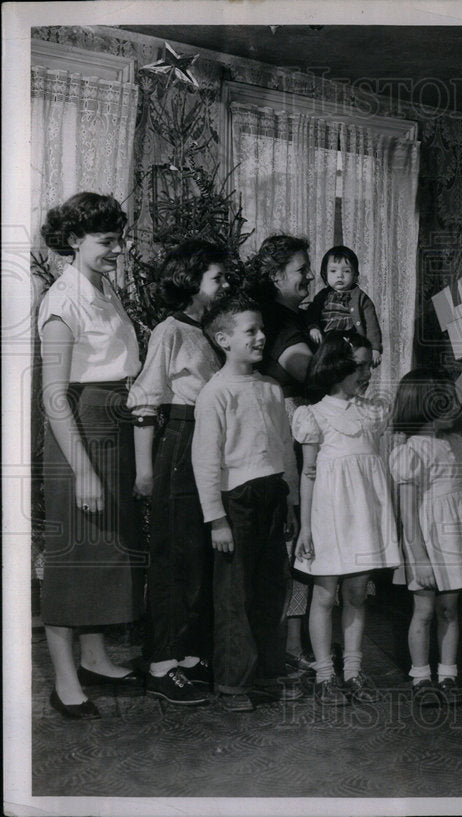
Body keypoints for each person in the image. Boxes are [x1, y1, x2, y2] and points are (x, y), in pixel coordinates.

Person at [37, 192, 144, 719]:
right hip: (78, 433)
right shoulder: (62, 301)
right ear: (74, 241)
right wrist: (82, 472)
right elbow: (54, 396)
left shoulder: (103, 289)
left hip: (113, 428)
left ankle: (96, 657)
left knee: (107, 550)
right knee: (75, 555)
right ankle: (63, 679)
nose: (118, 250)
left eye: (119, 239)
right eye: (107, 241)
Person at [128, 240, 230, 705]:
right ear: (191, 282)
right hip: (180, 443)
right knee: (173, 557)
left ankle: (187, 655)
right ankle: (160, 664)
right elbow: (146, 401)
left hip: (208, 440)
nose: (225, 285)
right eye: (217, 278)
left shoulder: (208, 329)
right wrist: (146, 471)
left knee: (197, 556)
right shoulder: (169, 330)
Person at [191, 292, 302, 712]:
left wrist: (289, 502)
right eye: (250, 331)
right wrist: (216, 519)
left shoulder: (271, 389)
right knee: (234, 594)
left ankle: (266, 675)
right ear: (223, 339)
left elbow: (283, 452)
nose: (261, 337)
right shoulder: (215, 393)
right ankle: (233, 683)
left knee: (271, 590)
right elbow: (205, 461)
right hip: (236, 503)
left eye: (261, 329)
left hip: (273, 496)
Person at [292, 332, 401, 706]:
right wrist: (305, 528)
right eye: (361, 365)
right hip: (328, 517)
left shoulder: (373, 412)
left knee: (356, 593)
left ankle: (353, 671)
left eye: (371, 365)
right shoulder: (313, 415)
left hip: (362, 517)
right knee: (324, 594)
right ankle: (325, 674)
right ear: (337, 365)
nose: (368, 372)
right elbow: (308, 474)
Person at [389, 368, 462, 705]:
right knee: (424, 610)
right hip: (427, 539)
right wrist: (417, 555)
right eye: (447, 402)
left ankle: (448, 675)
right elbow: (407, 511)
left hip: (454, 536)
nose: (456, 408)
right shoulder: (410, 451)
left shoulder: (456, 443)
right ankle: (421, 678)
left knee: (450, 608)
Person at [243, 234, 316, 674]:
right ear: (276, 276)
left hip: (277, 432)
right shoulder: (278, 319)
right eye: (301, 269)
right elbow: (307, 371)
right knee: (295, 540)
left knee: (291, 542)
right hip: (288, 432)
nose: (309, 275)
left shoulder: (278, 315)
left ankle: (286, 644)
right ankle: (286, 647)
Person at [303, 245, 383, 367]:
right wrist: (313, 327)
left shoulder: (361, 298)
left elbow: (372, 325)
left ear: (355, 275)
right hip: (327, 342)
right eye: (333, 271)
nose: (339, 275)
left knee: (350, 367)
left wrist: (375, 348)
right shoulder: (322, 296)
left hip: (351, 342)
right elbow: (312, 314)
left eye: (346, 271)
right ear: (325, 274)